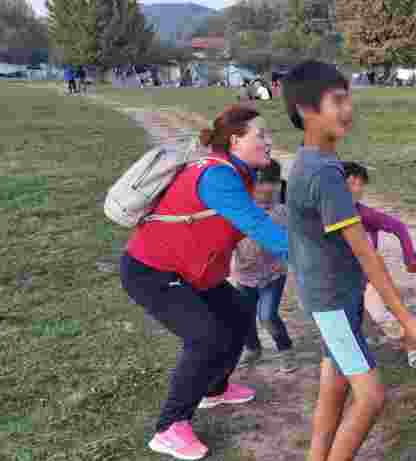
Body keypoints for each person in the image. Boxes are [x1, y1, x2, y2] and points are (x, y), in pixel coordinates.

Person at [282, 60, 416, 461]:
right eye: (337, 100)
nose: (348, 109)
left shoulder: (318, 163)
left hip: (335, 295)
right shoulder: (324, 175)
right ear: (306, 110)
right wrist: (406, 318)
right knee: (371, 396)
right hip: (331, 299)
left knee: (335, 381)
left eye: (348, 98)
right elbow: (365, 252)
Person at [119, 105, 287, 461]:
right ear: (236, 140)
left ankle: (215, 389)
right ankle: (169, 427)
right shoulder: (217, 176)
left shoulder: (239, 172)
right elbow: (257, 225)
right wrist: (310, 258)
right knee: (205, 336)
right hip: (153, 270)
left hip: (196, 272)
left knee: (240, 314)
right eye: (262, 135)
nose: (269, 142)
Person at [341, 161, 416, 368]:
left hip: (370, 277)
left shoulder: (364, 214)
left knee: (382, 314)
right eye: (351, 182)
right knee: (348, 321)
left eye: (360, 184)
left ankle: (414, 345)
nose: (357, 189)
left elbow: (398, 227)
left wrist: (409, 257)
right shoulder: (324, 215)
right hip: (342, 281)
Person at [231, 159, 296, 372]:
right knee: (243, 315)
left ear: (278, 184)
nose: (266, 187)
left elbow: (295, 240)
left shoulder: (283, 211)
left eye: (271, 182)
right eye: (260, 182)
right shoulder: (238, 208)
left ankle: (285, 350)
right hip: (244, 274)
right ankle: (253, 349)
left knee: (267, 316)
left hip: (273, 274)